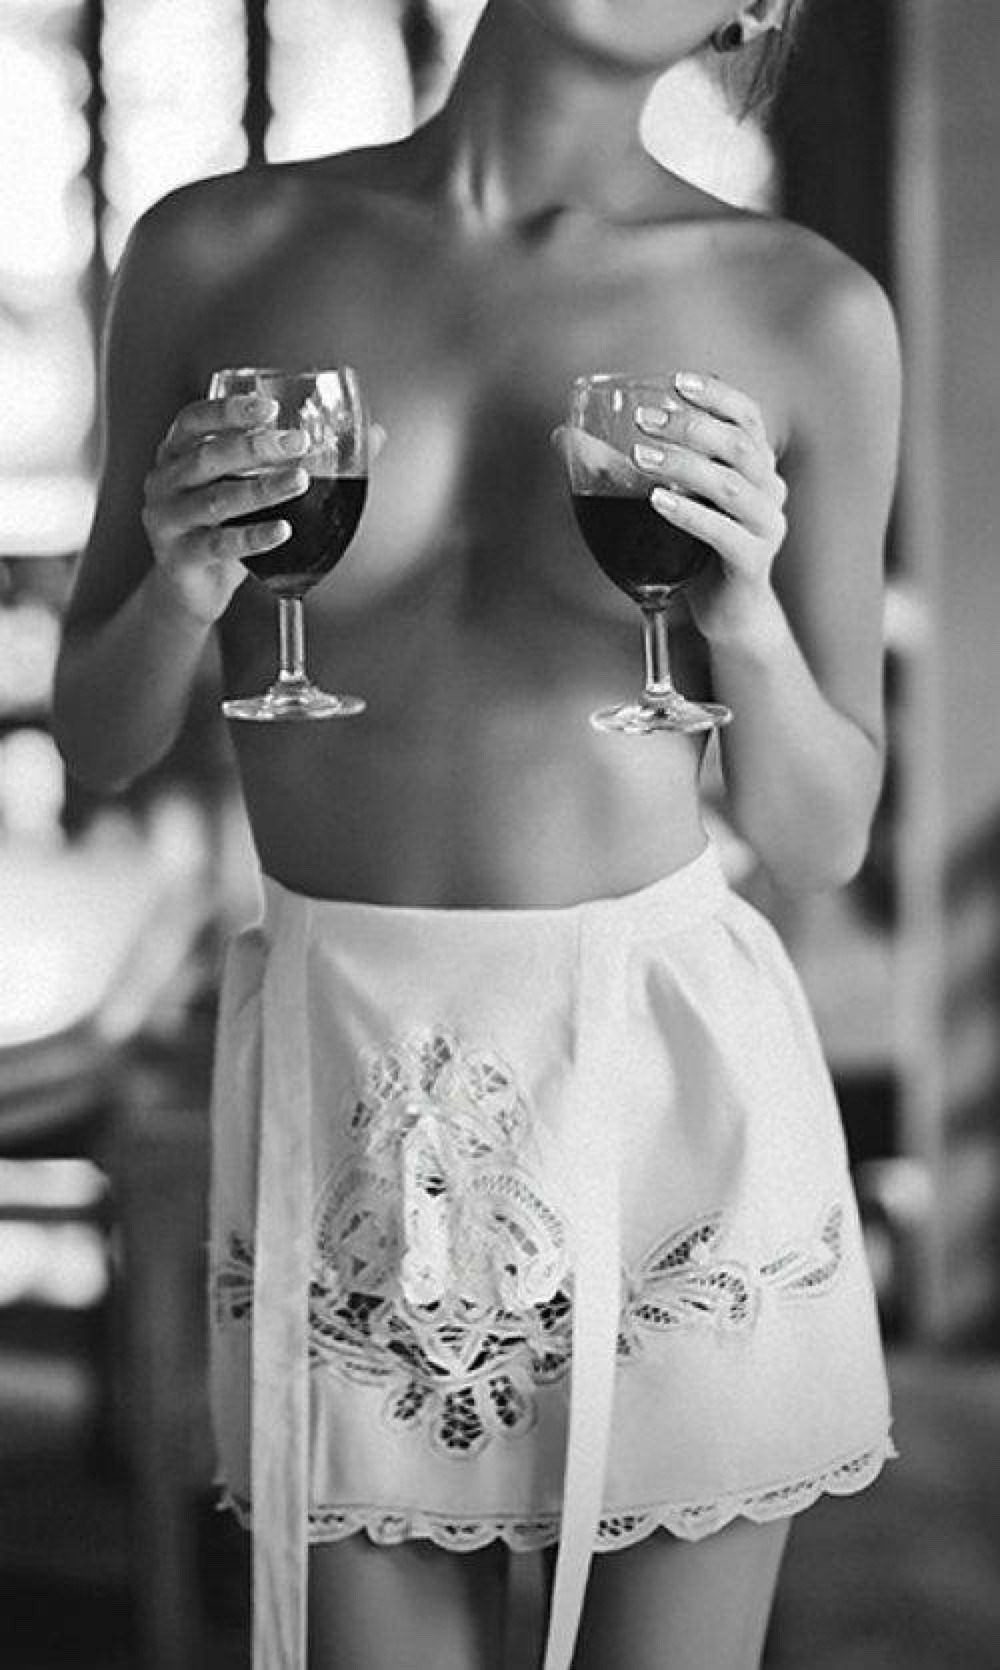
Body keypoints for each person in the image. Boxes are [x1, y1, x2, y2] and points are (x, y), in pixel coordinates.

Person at [52, 2, 902, 1667]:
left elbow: (822, 834)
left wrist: (747, 618)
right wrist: (186, 583)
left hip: (666, 1084)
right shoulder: (215, 250)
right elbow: (99, 731)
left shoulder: (807, 308)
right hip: (349, 1076)